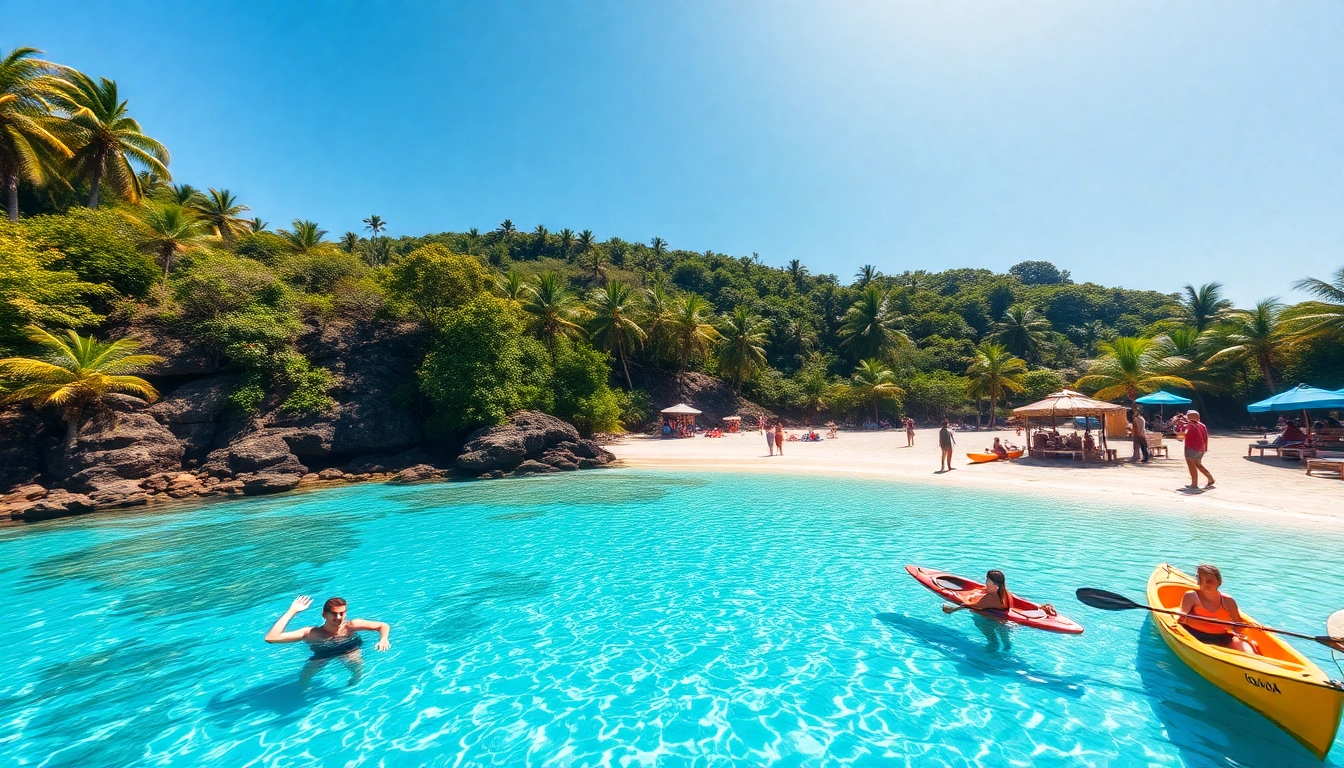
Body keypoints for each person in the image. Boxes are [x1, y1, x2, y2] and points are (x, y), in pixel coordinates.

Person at [265, 596, 391, 685]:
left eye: (342, 613)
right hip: (323, 653)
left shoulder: (351, 626)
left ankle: (353, 685)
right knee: (305, 677)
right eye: (334, 614)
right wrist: (292, 611)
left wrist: (383, 639)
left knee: (356, 666)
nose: (338, 617)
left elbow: (383, 625)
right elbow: (271, 638)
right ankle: (305, 692)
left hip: (349, 648)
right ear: (324, 615)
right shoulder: (312, 633)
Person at [1179, 564, 1257, 654]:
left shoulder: (1228, 601)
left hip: (1223, 637)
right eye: (1201, 579)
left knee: (1248, 650)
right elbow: (1181, 619)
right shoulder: (1191, 596)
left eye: (1209, 580)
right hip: (1196, 635)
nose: (1205, 583)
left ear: (1218, 581)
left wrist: (1238, 633)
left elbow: (1237, 624)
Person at [1182, 410, 1215, 490]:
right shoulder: (1202, 425)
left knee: (1191, 465)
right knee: (1198, 464)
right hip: (1201, 448)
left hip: (1191, 447)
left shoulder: (1189, 425)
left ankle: (1194, 484)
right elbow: (1206, 437)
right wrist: (1205, 447)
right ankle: (1210, 478)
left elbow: (1182, 433)